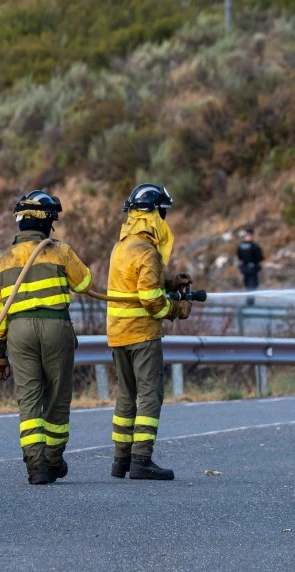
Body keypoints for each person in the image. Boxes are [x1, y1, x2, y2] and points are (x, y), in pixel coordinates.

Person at [0, 190, 93, 485]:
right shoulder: (60, 252)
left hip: (19, 333)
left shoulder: (1, 262)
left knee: (28, 398)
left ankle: (36, 466)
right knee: (57, 395)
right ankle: (54, 459)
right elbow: (84, 283)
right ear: (47, 223)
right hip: (55, 327)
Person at [107, 183, 192, 481]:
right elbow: (151, 301)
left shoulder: (122, 246)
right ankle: (142, 459)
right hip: (142, 335)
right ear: (155, 214)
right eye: (163, 212)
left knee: (126, 396)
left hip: (118, 334)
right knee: (150, 395)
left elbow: (136, 284)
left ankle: (121, 460)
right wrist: (177, 309)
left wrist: (170, 283)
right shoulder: (147, 251)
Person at [236, 229, 264, 306]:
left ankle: (249, 301)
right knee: (252, 285)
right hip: (252, 269)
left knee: (248, 285)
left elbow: (239, 257)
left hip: (244, 268)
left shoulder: (240, 246)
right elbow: (260, 257)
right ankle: (250, 303)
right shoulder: (254, 246)